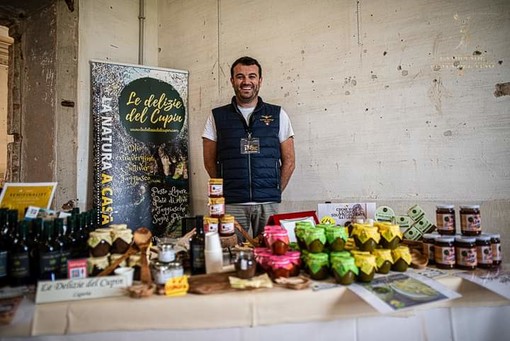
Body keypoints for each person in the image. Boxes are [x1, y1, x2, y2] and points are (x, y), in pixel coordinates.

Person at [202, 56, 295, 239]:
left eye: (252, 76)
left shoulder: (278, 114)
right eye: (240, 77)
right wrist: (227, 190)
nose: (246, 82)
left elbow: (290, 161)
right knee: (233, 255)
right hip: (232, 205)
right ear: (232, 81)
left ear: (260, 80)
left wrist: (275, 190)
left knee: (270, 253)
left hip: (268, 204)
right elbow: (209, 161)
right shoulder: (216, 117)